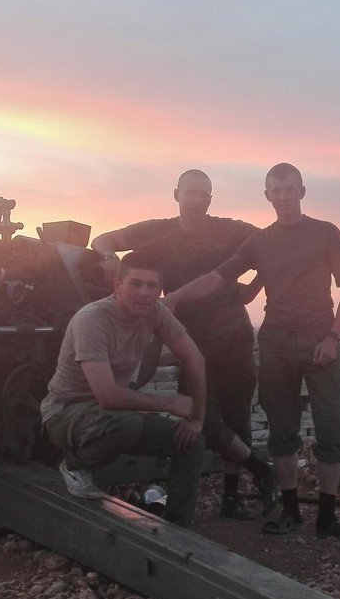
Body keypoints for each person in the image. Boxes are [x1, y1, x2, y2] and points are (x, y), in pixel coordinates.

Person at [165, 163, 340, 541]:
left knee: (332, 427)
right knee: (282, 430)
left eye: (291, 190)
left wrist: (333, 337)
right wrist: (174, 297)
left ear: (302, 192)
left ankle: (326, 516)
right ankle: (289, 511)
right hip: (276, 343)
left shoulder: (326, 233)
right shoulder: (260, 242)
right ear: (267, 196)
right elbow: (217, 278)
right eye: (277, 191)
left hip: (321, 339)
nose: (285, 197)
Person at [89, 169, 277, 521]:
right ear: (176, 194)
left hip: (233, 334)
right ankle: (261, 471)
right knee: (197, 416)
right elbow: (104, 239)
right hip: (187, 337)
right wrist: (108, 258)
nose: (198, 200)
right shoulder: (156, 231)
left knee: (237, 415)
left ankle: (231, 497)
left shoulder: (231, 230)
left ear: (211, 199)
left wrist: (252, 290)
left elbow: (272, 246)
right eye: (191, 193)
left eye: (205, 195)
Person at [40, 250, 206, 528]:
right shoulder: (92, 319)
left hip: (112, 414)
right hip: (65, 413)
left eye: (152, 285)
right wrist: (168, 404)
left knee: (191, 442)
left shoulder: (156, 313)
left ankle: (179, 527)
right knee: (126, 423)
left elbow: (195, 359)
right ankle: (75, 465)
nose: (144, 292)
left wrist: (197, 419)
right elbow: (106, 395)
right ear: (117, 285)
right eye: (135, 283)